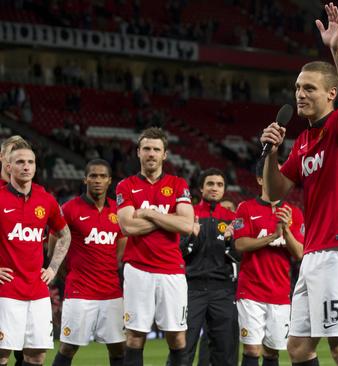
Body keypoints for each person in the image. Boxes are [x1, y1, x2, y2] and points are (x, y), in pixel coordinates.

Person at [260, 2, 338, 365]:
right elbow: (272, 193)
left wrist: (336, 49)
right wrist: (273, 152)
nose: (300, 94)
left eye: (309, 88)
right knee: (299, 349)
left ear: (330, 94)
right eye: (297, 88)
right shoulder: (302, 143)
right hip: (313, 252)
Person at [116, 127, 194, 366]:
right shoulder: (126, 185)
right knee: (134, 337)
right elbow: (128, 227)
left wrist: (149, 213)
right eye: (146, 149)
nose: (151, 153)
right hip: (138, 269)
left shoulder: (178, 183)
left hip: (172, 270)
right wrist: (168, 219)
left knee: (177, 337)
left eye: (156, 149)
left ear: (165, 155)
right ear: (138, 152)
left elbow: (187, 225)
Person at [0, 140, 72, 366]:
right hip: (6, 289)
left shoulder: (46, 199)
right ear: (8, 167)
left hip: (38, 290)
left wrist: (52, 268)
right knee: (2, 355)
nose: (26, 166)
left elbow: (65, 235)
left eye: (30, 162)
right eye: (20, 162)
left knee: (36, 355)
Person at [51, 159, 128, 366]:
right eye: (93, 175)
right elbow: (54, 242)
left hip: (111, 291)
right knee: (68, 347)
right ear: (85, 179)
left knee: (119, 347)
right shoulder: (69, 209)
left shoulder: (118, 211)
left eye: (103, 176)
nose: (97, 180)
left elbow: (120, 248)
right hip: (79, 291)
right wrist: (62, 269)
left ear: (110, 181)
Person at [234, 160, 305, 366]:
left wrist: (286, 230)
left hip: (280, 293)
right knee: (252, 349)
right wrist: (272, 236)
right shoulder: (246, 208)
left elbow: (299, 253)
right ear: (259, 179)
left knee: (272, 352)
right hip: (251, 292)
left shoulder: (294, 213)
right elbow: (240, 244)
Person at [178, 168, 238, 366]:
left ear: (224, 190)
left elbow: (239, 258)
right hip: (191, 289)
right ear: (200, 188)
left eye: (219, 185)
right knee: (182, 347)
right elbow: (178, 253)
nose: (215, 188)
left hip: (223, 290)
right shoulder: (188, 215)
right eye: (210, 184)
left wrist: (231, 241)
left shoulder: (232, 219)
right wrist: (190, 236)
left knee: (224, 351)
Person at [0, 135, 28, 366]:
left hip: (24, 284)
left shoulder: (29, 192)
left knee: (26, 349)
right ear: (3, 158)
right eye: (13, 152)